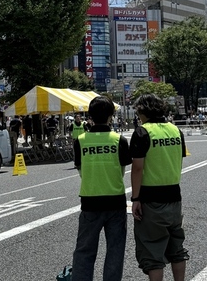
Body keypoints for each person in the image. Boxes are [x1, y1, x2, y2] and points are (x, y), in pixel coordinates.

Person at [130, 94, 189, 281]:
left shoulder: (142, 132)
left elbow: (138, 168)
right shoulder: (175, 130)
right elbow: (178, 159)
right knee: (176, 247)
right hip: (174, 196)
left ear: (143, 111)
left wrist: (135, 199)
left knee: (152, 250)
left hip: (151, 198)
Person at [72, 96, 131, 281]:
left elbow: (81, 170)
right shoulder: (119, 140)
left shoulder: (80, 140)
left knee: (84, 251)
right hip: (115, 200)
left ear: (90, 116)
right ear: (111, 116)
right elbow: (122, 169)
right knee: (115, 249)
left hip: (90, 201)